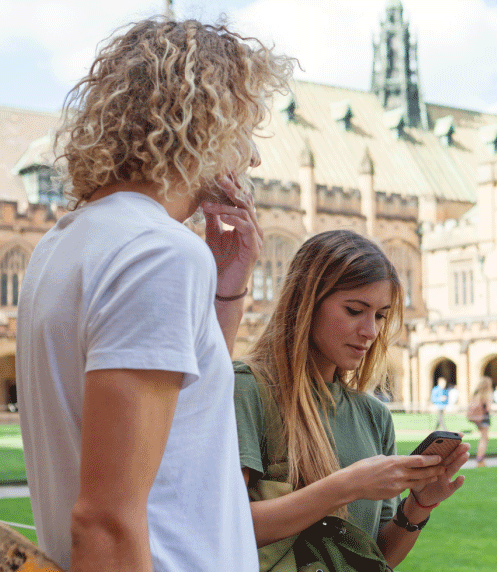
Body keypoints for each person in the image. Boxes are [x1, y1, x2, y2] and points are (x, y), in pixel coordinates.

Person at [16, 17, 293, 571]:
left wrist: (226, 285)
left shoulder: (65, 242)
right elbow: (105, 520)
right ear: (205, 121)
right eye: (244, 128)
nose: (252, 157)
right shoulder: (159, 252)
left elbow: (181, 420)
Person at [233, 230, 470, 571]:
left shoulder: (374, 415)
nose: (370, 331)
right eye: (355, 310)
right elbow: (226, 528)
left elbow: (376, 556)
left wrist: (417, 507)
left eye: (380, 315)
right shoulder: (248, 389)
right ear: (306, 301)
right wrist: (348, 485)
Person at [468, 376, 493, 467]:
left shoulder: (476, 394)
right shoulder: (487, 394)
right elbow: (488, 408)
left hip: (477, 419)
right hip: (484, 418)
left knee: (482, 438)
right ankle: (480, 459)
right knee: (484, 439)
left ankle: (480, 458)